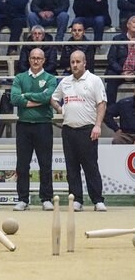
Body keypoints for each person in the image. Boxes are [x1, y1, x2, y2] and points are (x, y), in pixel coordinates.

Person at [51, 50, 107, 212]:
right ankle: (76, 200)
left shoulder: (94, 81)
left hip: (88, 130)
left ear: (84, 63)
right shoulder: (65, 82)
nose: (75, 65)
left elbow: (101, 104)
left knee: (90, 166)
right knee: (72, 168)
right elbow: (53, 98)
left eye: (78, 62)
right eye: (72, 62)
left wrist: (97, 125)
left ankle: (97, 200)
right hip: (68, 131)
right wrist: (60, 108)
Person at [10, 48, 57, 211]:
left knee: (45, 163)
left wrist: (26, 96)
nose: (36, 61)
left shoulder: (51, 79)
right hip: (23, 125)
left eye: (39, 58)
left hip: (43, 125)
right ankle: (23, 199)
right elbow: (14, 98)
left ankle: (46, 198)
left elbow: (47, 97)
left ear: (44, 60)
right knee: (22, 164)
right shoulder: (19, 77)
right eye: (33, 58)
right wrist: (38, 99)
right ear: (29, 59)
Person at [104, 15, 135, 105]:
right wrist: (122, 71)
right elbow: (111, 58)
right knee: (111, 76)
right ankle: (110, 110)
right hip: (120, 71)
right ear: (128, 25)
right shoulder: (118, 39)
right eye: (134, 22)